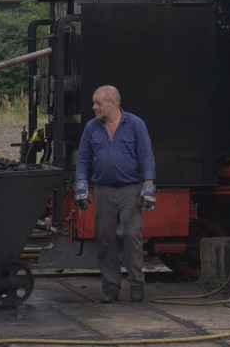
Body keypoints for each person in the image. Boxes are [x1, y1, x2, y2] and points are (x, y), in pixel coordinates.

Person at [73, 85, 156, 304]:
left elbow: (146, 157)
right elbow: (82, 159)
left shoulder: (135, 125)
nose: (94, 107)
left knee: (131, 236)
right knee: (105, 240)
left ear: (113, 103)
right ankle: (110, 289)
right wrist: (81, 185)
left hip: (130, 190)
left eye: (97, 103)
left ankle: (137, 286)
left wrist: (148, 186)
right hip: (103, 191)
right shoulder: (92, 128)